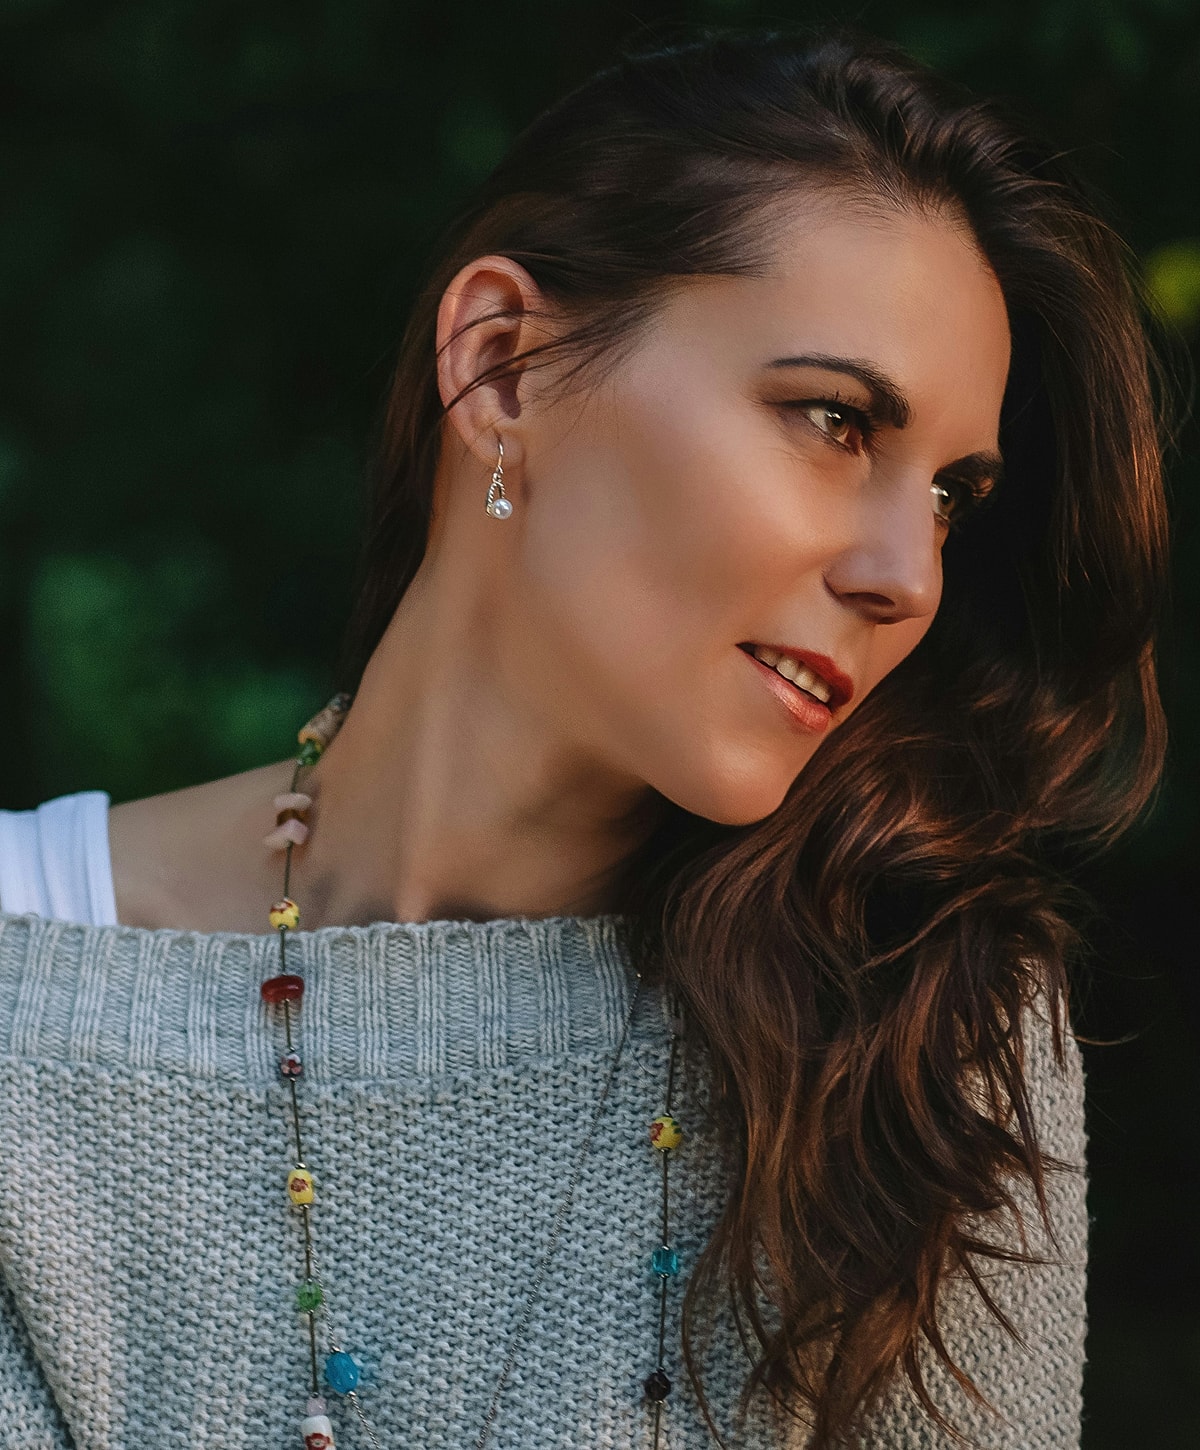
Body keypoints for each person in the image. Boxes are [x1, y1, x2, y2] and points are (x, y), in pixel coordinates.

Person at [0, 24, 1167, 1450]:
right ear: (501, 368)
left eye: (950, 498)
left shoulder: (919, 1032)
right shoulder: (26, 990)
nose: (906, 577)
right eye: (836, 418)